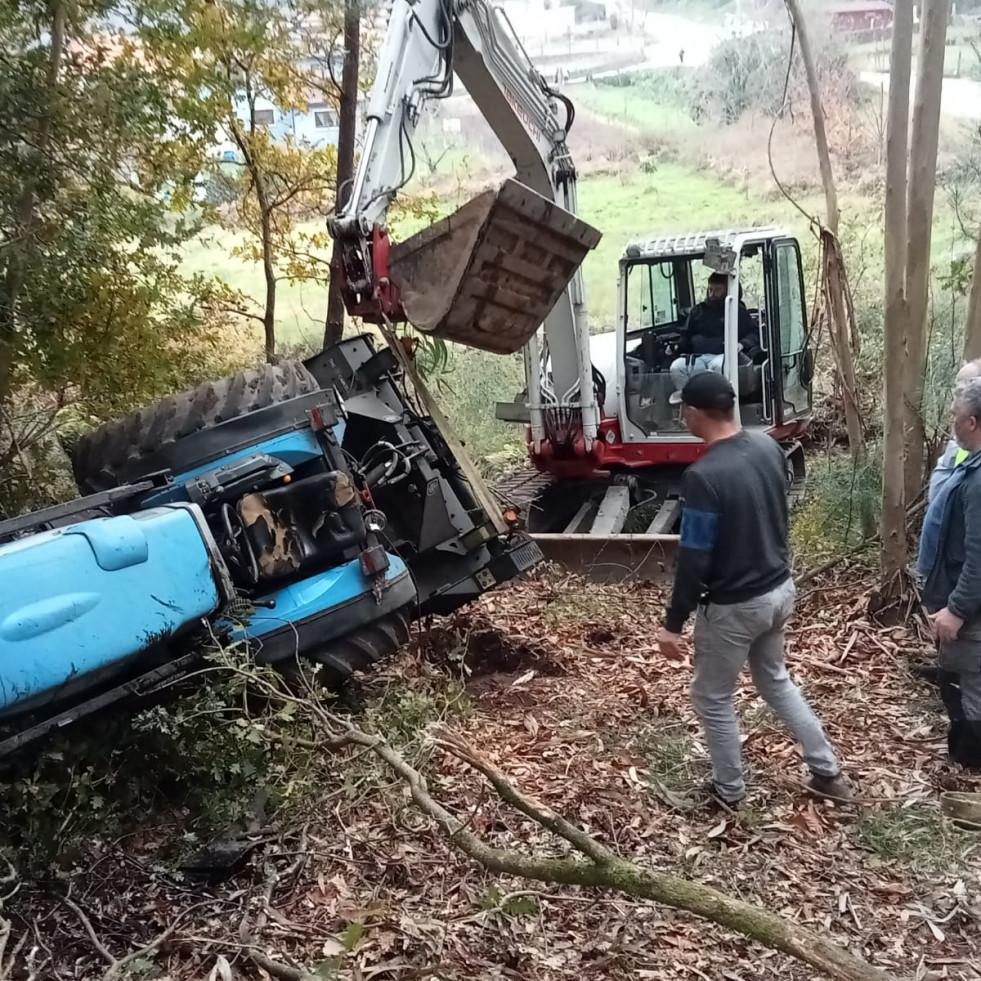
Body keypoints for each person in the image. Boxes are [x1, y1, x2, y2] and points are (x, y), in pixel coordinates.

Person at [656, 372, 851, 805]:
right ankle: (828, 773)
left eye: (681, 410)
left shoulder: (703, 476)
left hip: (736, 606)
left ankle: (730, 793)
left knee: (711, 696)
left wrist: (673, 623)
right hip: (779, 590)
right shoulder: (767, 446)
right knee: (775, 681)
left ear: (692, 412)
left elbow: (695, 557)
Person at [917, 376, 981, 769]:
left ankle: (971, 768)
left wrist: (956, 609)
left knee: (963, 683)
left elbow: (979, 557)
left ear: (972, 421)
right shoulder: (971, 466)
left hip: (971, 614)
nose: (951, 421)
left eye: (956, 415)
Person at [668, 272, 763, 405]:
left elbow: (753, 333)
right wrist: (676, 346)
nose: (712, 294)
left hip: (723, 356)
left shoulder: (737, 311)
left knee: (718, 367)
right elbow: (686, 336)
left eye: (717, 290)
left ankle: (715, 408)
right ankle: (691, 405)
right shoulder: (697, 310)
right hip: (698, 357)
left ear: (726, 290)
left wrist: (741, 344)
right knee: (677, 367)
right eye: (710, 289)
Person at [928, 358, 981, 504]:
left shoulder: (971, 443)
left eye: (963, 387)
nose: (958, 394)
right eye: (957, 388)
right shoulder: (962, 440)